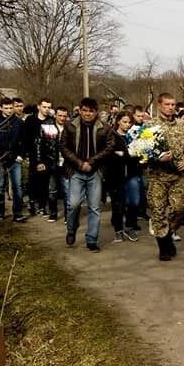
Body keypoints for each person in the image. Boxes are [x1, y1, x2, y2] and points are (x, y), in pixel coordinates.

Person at [61, 97, 117, 252]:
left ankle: (92, 239)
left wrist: (91, 162)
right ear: (79, 110)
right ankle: (71, 229)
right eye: (84, 110)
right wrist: (80, 163)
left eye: (91, 111)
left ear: (96, 112)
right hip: (75, 170)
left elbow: (110, 147)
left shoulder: (105, 128)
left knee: (94, 207)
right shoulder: (70, 126)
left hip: (95, 171)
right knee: (73, 204)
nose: (87, 114)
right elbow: (63, 147)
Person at [145, 93, 184, 261]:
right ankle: (164, 245)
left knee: (179, 210)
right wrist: (156, 157)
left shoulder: (182, 126)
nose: (170, 107)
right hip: (157, 176)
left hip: (177, 176)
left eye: (173, 104)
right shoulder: (150, 125)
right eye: (167, 104)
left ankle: (169, 232)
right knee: (158, 212)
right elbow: (142, 151)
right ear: (160, 105)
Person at [0, 97, 26, 222]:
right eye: (6, 108)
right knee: (0, 186)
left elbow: (24, 141)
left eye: (10, 108)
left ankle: (17, 213)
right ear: (0, 108)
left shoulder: (18, 123)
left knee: (17, 186)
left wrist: (21, 155)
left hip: (14, 158)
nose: (8, 110)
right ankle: (0, 213)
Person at [104, 112, 142, 242]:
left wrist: (128, 155)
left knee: (134, 201)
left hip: (132, 173)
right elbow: (109, 154)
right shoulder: (112, 136)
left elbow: (140, 152)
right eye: (124, 122)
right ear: (118, 121)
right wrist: (124, 155)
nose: (127, 125)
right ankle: (118, 230)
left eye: (129, 122)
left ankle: (130, 226)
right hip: (115, 175)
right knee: (118, 203)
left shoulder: (133, 136)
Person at [37, 106, 69, 222]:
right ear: (55, 115)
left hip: (66, 164)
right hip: (51, 162)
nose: (62, 118)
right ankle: (53, 214)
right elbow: (39, 144)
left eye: (64, 116)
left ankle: (68, 216)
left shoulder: (69, 128)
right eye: (60, 115)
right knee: (52, 190)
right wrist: (40, 161)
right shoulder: (47, 126)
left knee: (67, 191)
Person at [23, 98, 54, 216]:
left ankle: (42, 205)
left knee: (44, 182)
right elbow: (26, 139)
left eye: (48, 107)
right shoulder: (30, 120)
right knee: (33, 181)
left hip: (46, 157)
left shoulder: (50, 121)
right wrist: (27, 155)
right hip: (33, 155)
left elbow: (51, 141)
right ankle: (32, 202)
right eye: (44, 107)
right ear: (39, 106)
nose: (46, 109)